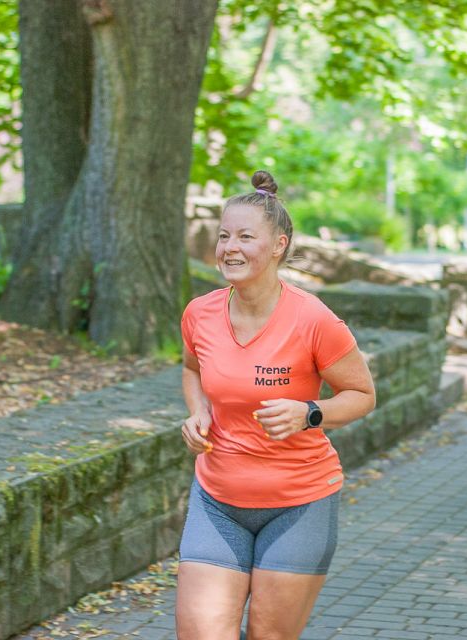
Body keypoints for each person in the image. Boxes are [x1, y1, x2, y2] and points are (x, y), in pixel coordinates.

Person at [176, 170, 376, 640]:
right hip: (218, 499)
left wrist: (310, 412)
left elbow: (363, 395)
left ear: (278, 245)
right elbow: (192, 369)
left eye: (246, 237)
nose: (230, 247)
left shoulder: (313, 318)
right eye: (225, 236)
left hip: (298, 503)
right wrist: (197, 410)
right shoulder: (200, 312)